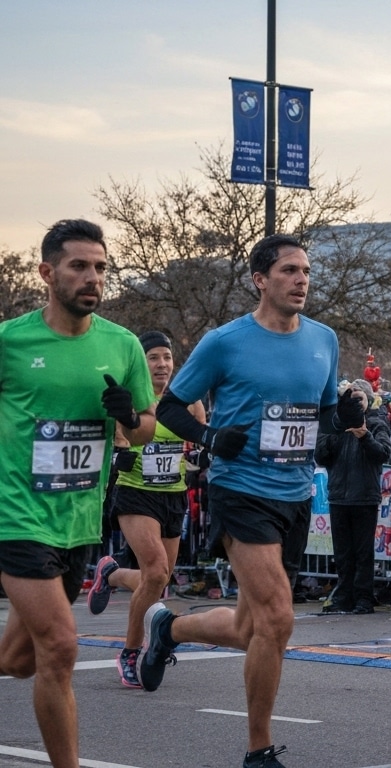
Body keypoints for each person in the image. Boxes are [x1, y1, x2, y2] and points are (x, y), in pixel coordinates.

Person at [143, 233, 343, 768]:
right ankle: (259, 750)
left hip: (296, 493)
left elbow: (323, 414)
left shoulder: (324, 339)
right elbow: (171, 408)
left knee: (249, 627)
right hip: (241, 490)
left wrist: (340, 423)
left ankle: (168, 628)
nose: (301, 280)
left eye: (306, 271)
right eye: (289, 270)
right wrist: (210, 438)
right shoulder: (225, 342)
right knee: (277, 618)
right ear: (260, 279)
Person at [0, 219, 156, 768]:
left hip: (78, 521)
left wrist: (128, 417)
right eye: (79, 266)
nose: (93, 277)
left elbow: (145, 427)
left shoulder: (123, 344)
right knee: (62, 647)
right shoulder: (10, 341)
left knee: (20, 660)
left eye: (101, 267)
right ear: (48, 273)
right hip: (16, 514)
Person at [87, 331, 206, 687]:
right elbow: (117, 440)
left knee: (160, 579)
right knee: (154, 573)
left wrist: (204, 455)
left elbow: (200, 440)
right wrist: (120, 455)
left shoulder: (188, 401)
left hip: (174, 495)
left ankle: (110, 574)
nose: (161, 364)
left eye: (166, 357)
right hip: (136, 493)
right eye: (153, 357)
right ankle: (130, 652)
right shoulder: (133, 400)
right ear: (141, 362)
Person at [314, 379, 391, 614]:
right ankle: (344, 595)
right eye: (351, 398)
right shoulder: (332, 424)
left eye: (359, 398)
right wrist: (338, 428)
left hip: (365, 496)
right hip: (339, 496)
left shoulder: (376, 423)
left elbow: (383, 454)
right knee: (343, 553)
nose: (355, 403)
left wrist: (364, 436)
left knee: (363, 552)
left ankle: (364, 598)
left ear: (368, 400)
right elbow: (320, 455)